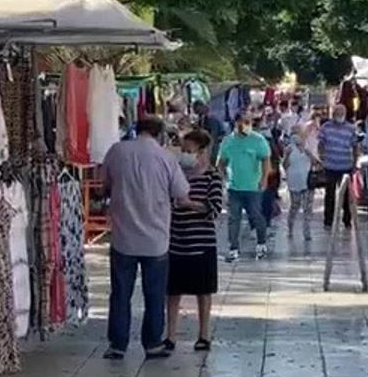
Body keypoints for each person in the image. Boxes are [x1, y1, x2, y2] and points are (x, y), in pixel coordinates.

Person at [99, 115, 192, 360]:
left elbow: (103, 184)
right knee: (154, 293)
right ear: (160, 134)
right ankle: (152, 343)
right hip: (156, 239)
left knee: (120, 293)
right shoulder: (166, 158)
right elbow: (181, 193)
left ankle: (117, 344)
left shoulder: (117, 151)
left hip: (123, 236)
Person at [165, 130, 224, 353]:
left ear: (201, 152)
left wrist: (189, 204)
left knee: (203, 291)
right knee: (172, 292)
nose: (185, 154)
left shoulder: (212, 176)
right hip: (176, 241)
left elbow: (215, 208)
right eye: (183, 150)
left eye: (189, 150)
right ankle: (170, 335)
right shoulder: (177, 174)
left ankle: (203, 334)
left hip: (202, 243)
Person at [216, 113, 272, 262]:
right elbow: (221, 162)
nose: (245, 125)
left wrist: (264, 178)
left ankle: (261, 244)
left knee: (256, 215)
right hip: (234, 187)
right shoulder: (228, 141)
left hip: (253, 188)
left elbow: (266, 160)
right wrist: (222, 179)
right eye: (242, 122)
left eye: (248, 122)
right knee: (234, 219)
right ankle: (233, 248)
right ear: (236, 123)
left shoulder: (258, 140)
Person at [318, 104, 359, 230]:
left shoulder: (351, 128)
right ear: (333, 114)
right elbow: (321, 144)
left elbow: (355, 146)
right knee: (329, 194)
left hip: (345, 166)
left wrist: (354, 163)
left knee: (347, 196)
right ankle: (328, 221)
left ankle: (347, 220)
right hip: (330, 166)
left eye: (342, 113)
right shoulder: (325, 127)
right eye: (337, 113)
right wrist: (322, 157)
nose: (340, 115)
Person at [283, 124, 320, 240]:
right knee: (295, 205)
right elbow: (285, 166)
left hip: (307, 181)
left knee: (308, 207)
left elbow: (316, 163)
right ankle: (290, 228)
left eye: (298, 134)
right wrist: (287, 156)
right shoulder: (289, 149)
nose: (296, 137)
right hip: (294, 181)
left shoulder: (308, 147)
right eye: (294, 134)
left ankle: (307, 231)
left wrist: (309, 154)